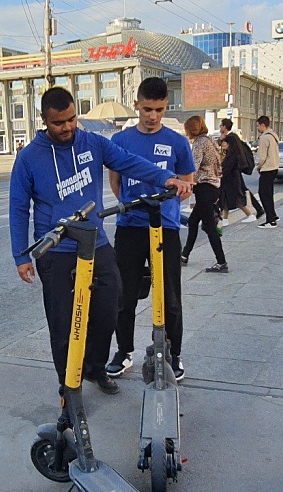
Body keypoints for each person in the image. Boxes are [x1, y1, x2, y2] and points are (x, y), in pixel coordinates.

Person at [9, 87, 192, 395]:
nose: (67, 127)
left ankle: (95, 368)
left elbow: (129, 162)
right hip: (56, 249)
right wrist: (21, 255)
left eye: (71, 119)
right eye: (58, 123)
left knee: (111, 308)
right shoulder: (29, 157)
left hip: (96, 243)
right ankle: (69, 382)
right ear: (44, 121)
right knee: (63, 322)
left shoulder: (92, 142)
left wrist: (165, 178)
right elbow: (17, 207)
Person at [104, 77, 195, 382]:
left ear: (166, 106)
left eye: (158, 109)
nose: (152, 115)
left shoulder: (178, 142)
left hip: (165, 228)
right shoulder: (121, 141)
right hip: (129, 226)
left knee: (169, 296)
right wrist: (131, 205)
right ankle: (123, 351)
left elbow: (187, 183)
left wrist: (171, 200)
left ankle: (174, 354)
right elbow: (115, 181)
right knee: (123, 294)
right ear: (137, 105)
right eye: (147, 109)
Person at [181, 115, 229, 272]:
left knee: (209, 226)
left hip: (205, 188)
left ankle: (221, 262)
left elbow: (192, 168)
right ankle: (184, 255)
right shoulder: (210, 141)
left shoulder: (199, 143)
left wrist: (179, 179)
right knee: (193, 221)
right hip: (214, 186)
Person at [220, 118, 263, 222]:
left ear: (225, 127)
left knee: (236, 195)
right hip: (233, 171)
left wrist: (224, 169)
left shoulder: (231, 138)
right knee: (233, 193)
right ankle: (225, 219)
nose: (220, 127)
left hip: (232, 171)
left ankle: (250, 214)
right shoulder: (233, 136)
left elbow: (232, 156)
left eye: (221, 125)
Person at [255, 115, 280, 228]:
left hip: (267, 168)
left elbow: (261, 157)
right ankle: (273, 215)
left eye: (258, 126)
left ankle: (270, 220)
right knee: (268, 193)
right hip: (274, 167)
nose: (257, 128)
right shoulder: (273, 136)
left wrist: (258, 166)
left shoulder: (264, 138)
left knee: (263, 194)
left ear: (263, 125)